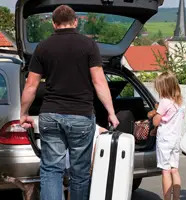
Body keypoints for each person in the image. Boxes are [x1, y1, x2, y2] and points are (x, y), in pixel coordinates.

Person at [20, 5, 119, 200]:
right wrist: (111, 112)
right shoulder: (89, 46)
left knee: (51, 170)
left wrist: (23, 113)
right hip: (81, 116)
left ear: (53, 23)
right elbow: (99, 82)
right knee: (80, 173)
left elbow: (31, 85)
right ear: (76, 21)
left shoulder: (43, 47)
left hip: (50, 115)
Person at [148, 71, 185, 200]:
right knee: (174, 169)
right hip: (176, 139)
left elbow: (156, 121)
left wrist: (155, 115)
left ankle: (166, 198)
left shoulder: (164, 102)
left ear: (163, 88)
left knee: (165, 170)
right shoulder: (179, 102)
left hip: (165, 140)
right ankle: (176, 198)